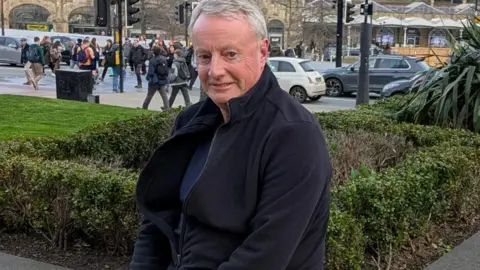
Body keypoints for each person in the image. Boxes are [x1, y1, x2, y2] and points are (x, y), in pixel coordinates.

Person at [130, 0, 332, 269]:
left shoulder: (294, 136)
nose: (215, 71)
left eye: (230, 54)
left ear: (262, 52)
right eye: (204, 56)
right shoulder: (191, 121)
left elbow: (263, 257)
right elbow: (158, 221)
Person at [142, 45, 169, 110]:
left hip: (154, 81)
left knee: (149, 96)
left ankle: (144, 107)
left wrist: (149, 78)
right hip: (162, 80)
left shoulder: (152, 60)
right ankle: (167, 108)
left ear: (153, 52)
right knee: (164, 96)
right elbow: (166, 70)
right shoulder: (163, 59)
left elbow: (151, 72)